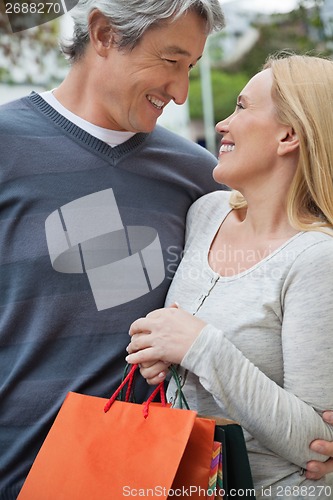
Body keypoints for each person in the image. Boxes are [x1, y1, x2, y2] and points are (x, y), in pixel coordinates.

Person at [0, 1, 226, 497]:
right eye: (171, 61)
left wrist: (302, 418)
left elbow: (252, 307)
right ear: (102, 33)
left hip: (158, 478)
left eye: (191, 68)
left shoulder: (199, 176)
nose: (182, 92)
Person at [126, 53, 333, 498]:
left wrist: (200, 346)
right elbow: (189, 341)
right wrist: (162, 349)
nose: (222, 123)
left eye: (242, 107)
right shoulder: (206, 213)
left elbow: (317, 448)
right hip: (188, 482)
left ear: (289, 134)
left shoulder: (318, 259)